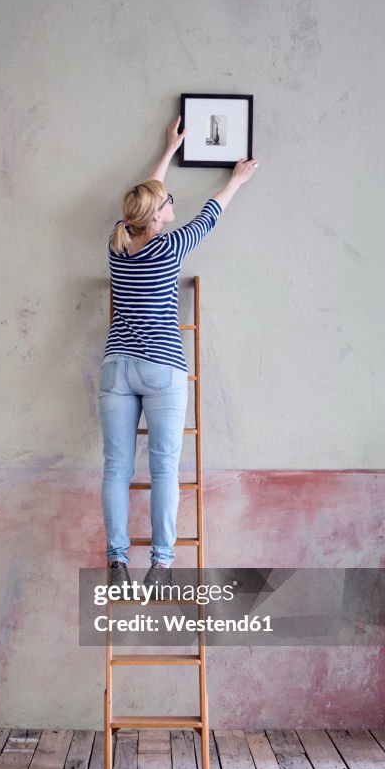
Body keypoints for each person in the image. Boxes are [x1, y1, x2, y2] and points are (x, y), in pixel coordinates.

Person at [99, 116, 257, 589]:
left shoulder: (118, 243)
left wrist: (169, 150)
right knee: (164, 467)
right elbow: (212, 213)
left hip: (115, 368)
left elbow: (147, 196)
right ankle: (162, 563)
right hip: (162, 369)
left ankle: (117, 559)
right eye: (168, 203)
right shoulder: (169, 247)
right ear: (159, 216)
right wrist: (235, 180)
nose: (173, 203)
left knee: (116, 469)